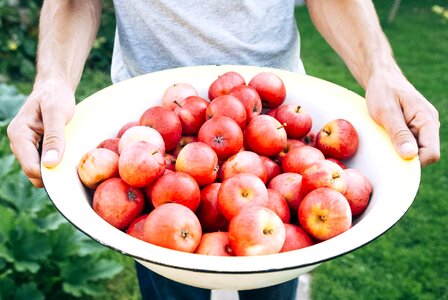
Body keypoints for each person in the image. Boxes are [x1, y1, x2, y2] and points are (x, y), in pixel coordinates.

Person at [7, 1, 440, 300]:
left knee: (276, 263)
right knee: (167, 272)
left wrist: (381, 69)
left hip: (276, 115)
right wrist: (53, 78)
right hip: (148, 118)